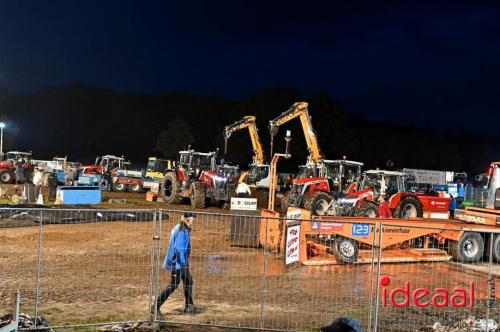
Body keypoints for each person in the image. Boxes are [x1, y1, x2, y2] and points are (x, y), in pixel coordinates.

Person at [153, 212, 201, 316]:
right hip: (178, 262)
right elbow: (179, 249)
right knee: (173, 285)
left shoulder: (181, 227)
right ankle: (155, 306)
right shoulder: (181, 231)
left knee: (188, 280)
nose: (192, 222)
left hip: (182, 261)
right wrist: (182, 263)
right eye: (191, 220)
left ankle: (189, 306)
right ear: (186, 219)